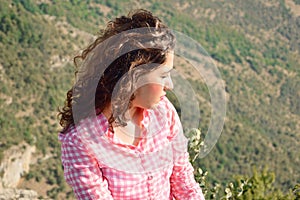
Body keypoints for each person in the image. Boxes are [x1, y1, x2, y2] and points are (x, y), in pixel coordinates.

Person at [58, 9, 205, 200]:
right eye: (163, 75)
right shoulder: (80, 141)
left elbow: (183, 181)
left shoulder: (164, 112)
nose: (170, 85)